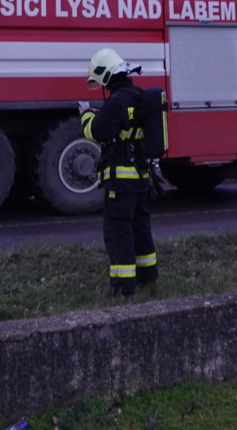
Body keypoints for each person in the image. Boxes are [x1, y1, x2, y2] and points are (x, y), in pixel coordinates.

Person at [81, 47, 159, 296]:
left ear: (106, 75)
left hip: (120, 183)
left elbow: (96, 132)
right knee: (140, 228)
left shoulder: (116, 101)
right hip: (141, 178)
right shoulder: (139, 96)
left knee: (119, 231)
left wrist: (86, 116)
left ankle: (123, 287)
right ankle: (148, 276)